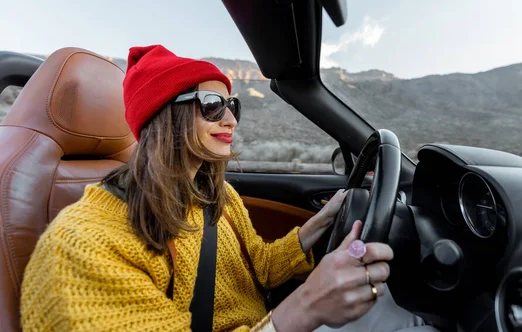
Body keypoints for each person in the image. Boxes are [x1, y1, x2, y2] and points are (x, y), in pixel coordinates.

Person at [20, 45, 438, 331]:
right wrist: (305, 307)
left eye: (232, 105)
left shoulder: (214, 197)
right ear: (164, 116)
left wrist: (323, 221)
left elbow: (260, 269)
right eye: (211, 105)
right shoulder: (83, 245)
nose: (231, 120)